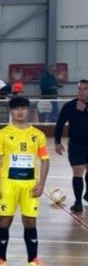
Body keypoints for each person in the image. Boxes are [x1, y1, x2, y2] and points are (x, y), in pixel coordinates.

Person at [0, 96, 50, 266]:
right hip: (8, 184)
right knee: (5, 220)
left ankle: (32, 261)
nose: (20, 112)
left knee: (30, 221)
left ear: (28, 111)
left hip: (29, 185)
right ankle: (1, 259)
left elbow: (45, 160)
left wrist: (42, 184)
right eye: (16, 109)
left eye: (23, 108)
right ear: (11, 111)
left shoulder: (38, 135)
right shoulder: (2, 134)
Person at [54, 79, 88, 213]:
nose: (82, 92)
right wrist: (57, 141)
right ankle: (78, 202)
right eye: (80, 89)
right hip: (76, 145)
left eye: (85, 89)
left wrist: (85, 110)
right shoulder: (69, 106)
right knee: (78, 172)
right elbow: (60, 124)